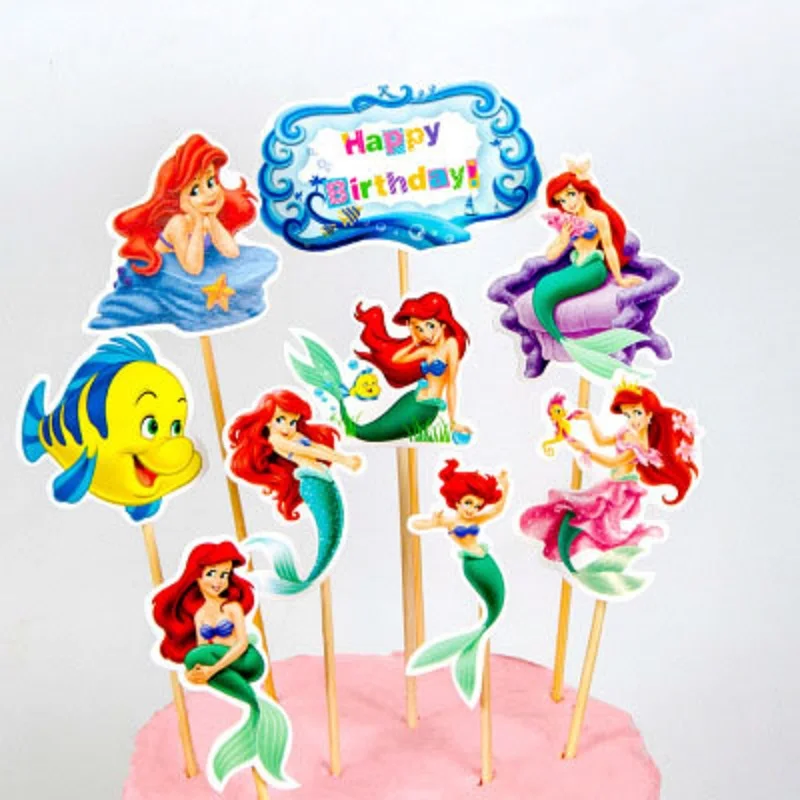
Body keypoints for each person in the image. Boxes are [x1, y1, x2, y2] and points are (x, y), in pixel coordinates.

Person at [151, 540, 295, 789]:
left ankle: (254, 703)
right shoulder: (199, 615)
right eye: (211, 573)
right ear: (196, 577)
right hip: (222, 664)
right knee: (194, 659)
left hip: (248, 662)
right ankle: (256, 714)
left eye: (224, 574)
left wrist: (211, 671)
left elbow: (240, 645)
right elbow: (202, 652)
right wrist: (196, 674)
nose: (218, 580)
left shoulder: (232, 608)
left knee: (196, 660)